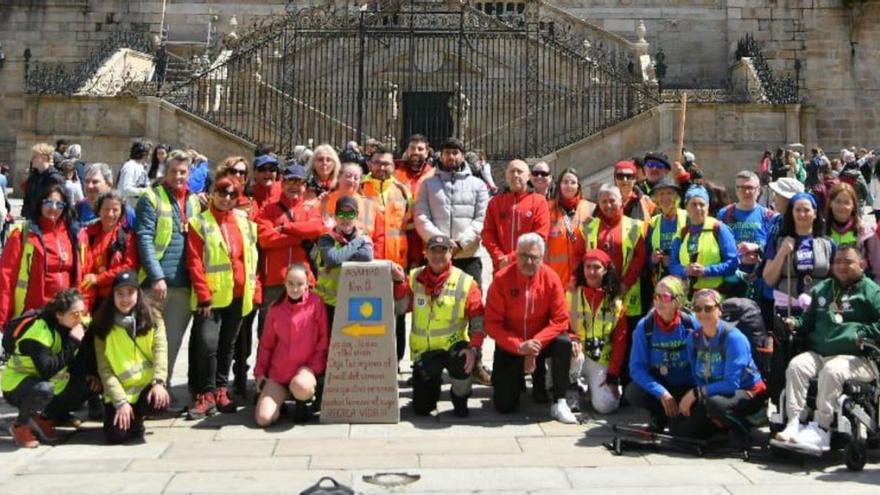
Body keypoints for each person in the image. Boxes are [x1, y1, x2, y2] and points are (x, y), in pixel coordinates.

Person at [774, 246, 880, 452]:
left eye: (848, 261)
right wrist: (793, 323)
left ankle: (821, 429)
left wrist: (862, 333)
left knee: (832, 370)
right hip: (821, 353)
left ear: (861, 264)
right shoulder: (822, 289)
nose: (841, 266)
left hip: (859, 358)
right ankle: (794, 422)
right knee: (797, 365)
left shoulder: (872, 291)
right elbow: (807, 322)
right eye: (837, 261)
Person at [186, 176, 260, 419]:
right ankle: (205, 394)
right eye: (221, 192)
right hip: (212, 298)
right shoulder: (200, 222)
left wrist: (254, 288)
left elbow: (251, 257)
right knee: (208, 345)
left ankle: (220, 389)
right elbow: (195, 261)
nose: (226, 198)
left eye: (231, 195)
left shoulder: (243, 221)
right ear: (212, 193)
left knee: (227, 346)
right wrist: (204, 295)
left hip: (239, 295)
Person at [250, 164, 326, 393]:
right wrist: (297, 236)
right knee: (268, 334)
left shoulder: (310, 208)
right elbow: (264, 238)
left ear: (305, 185)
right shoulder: (268, 209)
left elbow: (318, 229)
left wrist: (285, 228)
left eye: (299, 182)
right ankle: (265, 378)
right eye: (290, 181)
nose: (295, 186)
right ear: (282, 183)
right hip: (275, 280)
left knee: (306, 335)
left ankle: (303, 381)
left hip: (304, 281)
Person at [485, 233, 576, 423]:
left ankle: (560, 401)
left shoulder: (551, 278)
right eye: (523, 255)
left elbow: (560, 319)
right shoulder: (501, 279)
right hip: (512, 343)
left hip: (541, 342)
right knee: (504, 406)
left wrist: (535, 345)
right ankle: (519, 381)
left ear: (541, 258)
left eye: (533, 257)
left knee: (563, 343)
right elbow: (492, 325)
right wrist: (519, 346)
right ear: (515, 255)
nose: (528, 261)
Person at [392, 234, 485, 417]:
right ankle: (431, 389)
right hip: (426, 352)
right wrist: (398, 281)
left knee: (462, 363)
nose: (438, 256)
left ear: (451, 253)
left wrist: (473, 349)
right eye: (433, 251)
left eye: (443, 251)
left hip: (454, 347)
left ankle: (460, 397)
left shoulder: (466, 282)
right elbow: (401, 307)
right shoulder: (414, 277)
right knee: (422, 409)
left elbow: (478, 321)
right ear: (425, 253)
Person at [135, 150, 202, 388]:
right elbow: (144, 238)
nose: (178, 176)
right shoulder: (151, 198)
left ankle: (162, 389)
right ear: (166, 172)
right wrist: (156, 276)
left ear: (189, 173)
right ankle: (143, 392)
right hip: (157, 285)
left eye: (183, 172)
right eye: (174, 171)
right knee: (147, 342)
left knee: (172, 343)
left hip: (184, 285)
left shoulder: (194, 201)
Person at [671, 288, 767, 445]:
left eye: (708, 308)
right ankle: (720, 425)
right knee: (679, 430)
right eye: (697, 308)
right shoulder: (693, 338)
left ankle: (744, 431)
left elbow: (731, 384)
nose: (703, 313)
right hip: (712, 393)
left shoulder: (734, 338)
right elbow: (697, 375)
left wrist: (696, 394)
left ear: (719, 310)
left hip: (747, 392)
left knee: (714, 404)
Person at [2, 289, 90, 448]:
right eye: (75, 314)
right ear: (59, 315)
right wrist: (73, 342)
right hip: (17, 385)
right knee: (44, 389)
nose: (81, 319)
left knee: (87, 384)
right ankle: (20, 426)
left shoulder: (70, 326)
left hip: (49, 384)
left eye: (83, 312)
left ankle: (42, 418)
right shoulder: (39, 332)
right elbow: (47, 369)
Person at [91, 271, 170, 444]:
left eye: (130, 293)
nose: (125, 299)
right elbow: (104, 369)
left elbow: (160, 351)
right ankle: (125, 417)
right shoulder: (102, 325)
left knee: (160, 402)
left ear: (138, 294)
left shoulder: (153, 317)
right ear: (112, 295)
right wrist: (120, 401)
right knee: (115, 437)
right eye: (120, 293)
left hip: (145, 387)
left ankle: (138, 417)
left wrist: (159, 382)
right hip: (119, 391)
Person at [0, 184, 88, 330]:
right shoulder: (22, 234)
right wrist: (3, 317)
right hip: (33, 315)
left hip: (66, 316)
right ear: (40, 203)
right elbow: (5, 277)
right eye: (48, 202)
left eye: (59, 204)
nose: (53, 208)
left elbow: (83, 275)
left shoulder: (75, 235)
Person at [254, 263, 329, 426]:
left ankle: (301, 403)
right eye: (291, 284)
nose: (295, 289)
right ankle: (281, 404)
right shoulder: (275, 309)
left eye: (300, 284)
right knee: (263, 419)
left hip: (304, 371)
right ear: (285, 284)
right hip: (279, 373)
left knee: (302, 386)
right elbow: (266, 344)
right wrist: (260, 373)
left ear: (308, 284)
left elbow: (323, 342)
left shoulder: (316, 304)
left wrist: (313, 368)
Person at [625, 276, 696, 432]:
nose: (658, 301)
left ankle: (679, 417)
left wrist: (694, 394)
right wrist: (661, 393)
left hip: (688, 387)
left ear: (678, 300)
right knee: (633, 392)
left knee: (683, 431)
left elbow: (703, 364)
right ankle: (659, 414)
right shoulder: (645, 326)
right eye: (656, 296)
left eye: (664, 297)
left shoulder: (691, 325)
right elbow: (636, 368)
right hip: (662, 386)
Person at [415, 138, 490, 286]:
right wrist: (442, 243)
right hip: (436, 255)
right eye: (447, 153)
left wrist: (461, 243)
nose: (451, 156)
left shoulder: (478, 185)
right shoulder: (427, 184)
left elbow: (482, 218)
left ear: (462, 156)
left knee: (471, 303)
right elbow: (421, 216)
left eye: (455, 153)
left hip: (468, 255)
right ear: (441, 156)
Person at [362, 145, 412, 363]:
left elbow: (410, 225)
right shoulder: (360, 188)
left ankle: (396, 360)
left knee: (398, 315)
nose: (382, 167)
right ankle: (371, 360)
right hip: (369, 263)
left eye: (386, 163)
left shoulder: (403, 190)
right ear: (370, 164)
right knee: (368, 314)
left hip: (397, 261)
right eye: (378, 163)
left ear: (394, 166)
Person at [580, 184, 646, 345]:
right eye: (604, 201)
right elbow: (579, 256)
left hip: (627, 292)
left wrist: (625, 284)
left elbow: (640, 258)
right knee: (602, 337)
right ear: (598, 203)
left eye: (612, 200)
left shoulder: (635, 226)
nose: (608, 205)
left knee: (626, 339)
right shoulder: (589, 226)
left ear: (621, 202)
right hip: (598, 291)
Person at [566, 249, 627, 414]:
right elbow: (560, 324)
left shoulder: (616, 302)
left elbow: (620, 342)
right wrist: (572, 337)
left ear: (605, 270)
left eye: (597, 267)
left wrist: (613, 376)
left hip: (600, 359)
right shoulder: (571, 294)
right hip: (576, 355)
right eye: (588, 267)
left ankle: (593, 389)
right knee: (568, 350)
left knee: (605, 406)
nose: (591, 272)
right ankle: (571, 387)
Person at [762, 192, 834, 315]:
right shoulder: (778, 242)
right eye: (798, 210)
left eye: (806, 210)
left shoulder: (828, 244)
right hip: (787, 311)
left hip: (820, 310)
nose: (802, 214)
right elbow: (769, 279)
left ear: (815, 213)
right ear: (792, 213)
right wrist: (782, 253)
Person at [314, 196, 375, 326]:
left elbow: (366, 257)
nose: (345, 218)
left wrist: (341, 255)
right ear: (335, 216)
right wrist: (357, 243)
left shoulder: (363, 235)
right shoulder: (326, 239)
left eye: (350, 214)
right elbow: (332, 259)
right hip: (326, 304)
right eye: (341, 214)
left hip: (353, 303)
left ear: (356, 216)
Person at [668, 185, 738, 295]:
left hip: (714, 296)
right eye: (694, 204)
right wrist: (685, 271)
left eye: (702, 204)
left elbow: (733, 263)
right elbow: (672, 265)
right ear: (686, 207)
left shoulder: (719, 228)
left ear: (708, 206)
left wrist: (705, 270)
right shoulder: (682, 232)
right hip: (687, 296)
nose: (698, 208)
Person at [483, 159, 550, 272]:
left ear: (528, 176)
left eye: (519, 171)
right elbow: (488, 233)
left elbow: (539, 236)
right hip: (501, 267)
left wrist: (511, 258)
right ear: (506, 176)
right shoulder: (495, 203)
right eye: (512, 171)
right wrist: (499, 257)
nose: (515, 175)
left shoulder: (539, 202)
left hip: (529, 267)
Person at [82, 190, 139, 311]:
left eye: (115, 210)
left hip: (115, 298)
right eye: (106, 209)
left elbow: (129, 267)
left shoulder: (126, 237)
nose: (110, 214)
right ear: (98, 210)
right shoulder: (86, 234)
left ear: (122, 212)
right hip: (87, 296)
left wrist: (98, 279)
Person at [545, 168, 595, 285]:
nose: (569, 185)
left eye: (573, 182)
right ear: (559, 185)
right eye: (565, 182)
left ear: (578, 186)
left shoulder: (591, 208)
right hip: (555, 278)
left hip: (582, 279)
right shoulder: (547, 208)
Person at [322, 162, 385, 254]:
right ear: (338, 178)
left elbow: (380, 237)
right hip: (332, 257)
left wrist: (373, 258)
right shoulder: (325, 201)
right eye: (348, 176)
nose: (352, 180)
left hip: (363, 260)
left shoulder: (370, 205)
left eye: (356, 178)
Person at [395, 134, 435, 267]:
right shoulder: (395, 171)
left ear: (427, 152)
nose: (415, 152)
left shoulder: (434, 174)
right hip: (399, 234)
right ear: (406, 150)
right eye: (412, 148)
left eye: (420, 149)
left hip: (423, 236)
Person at [646, 177, 687, 285]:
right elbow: (647, 256)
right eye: (661, 194)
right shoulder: (653, 223)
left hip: (684, 278)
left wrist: (673, 260)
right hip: (662, 281)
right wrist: (653, 259)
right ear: (656, 199)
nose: (665, 198)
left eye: (669, 193)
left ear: (677, 197)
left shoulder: (688, 218)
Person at [22, 143, 64, 221]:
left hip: (47, 220)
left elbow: (60, 202)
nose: (32, 159)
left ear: (44, 158)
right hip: (32, 219)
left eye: (35, 156)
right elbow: (27, 198)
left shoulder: (55, 178)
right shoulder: (34, 176)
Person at [614, 160, 655, 224]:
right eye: (620, 176)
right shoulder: (607, 202)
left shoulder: (646, 201)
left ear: (635, 179)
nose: (625, 180)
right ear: (615, 179)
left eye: (629, 176)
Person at [117, 141, 152, 209]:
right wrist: (145, 191)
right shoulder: (130, 166)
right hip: (128, 208)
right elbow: (125, 189)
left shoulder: (142, 167)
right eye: (149, 153)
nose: (150, 156)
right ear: (144, 154)